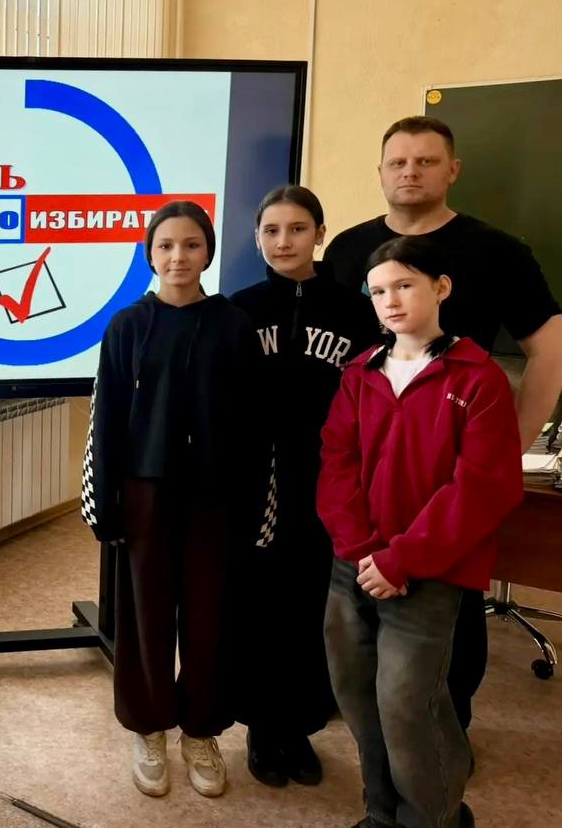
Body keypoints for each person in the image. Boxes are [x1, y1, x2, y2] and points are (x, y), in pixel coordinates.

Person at [322, 115, 562, 735]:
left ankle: (443, 744)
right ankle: (377, 732)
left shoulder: (498, 251)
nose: (410, 172)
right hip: (364, 463)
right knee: (358, 614)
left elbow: (549, 346)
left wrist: (509, 445)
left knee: (449, 615)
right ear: (380, 173)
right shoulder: (347, 250)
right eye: (397, 162)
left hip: (448, 467)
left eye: (426, 161)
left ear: (452, 170)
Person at [319, 235, 522, 828]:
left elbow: (483, 488)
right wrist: (363, 551)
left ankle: (433, 818)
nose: (390, 300)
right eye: (378, 291)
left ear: (441, 288)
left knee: (407, 702)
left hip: (427, 572)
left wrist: (400, 559)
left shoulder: (478, 378)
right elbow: (336, 463)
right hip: (355, 565)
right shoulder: (360, 373)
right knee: (357, 695)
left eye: (404, 285)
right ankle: (382, 813)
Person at [82, 201, 263, 799]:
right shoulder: (127, 326)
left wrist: (255, 505)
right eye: (165, 246)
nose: (177, 257)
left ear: (207, 251)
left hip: (215, 496)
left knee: (211, 617)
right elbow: (106, 419)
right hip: (145, 493)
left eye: (190, 245)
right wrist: (105, 502)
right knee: (145, 615)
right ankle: (149, 727)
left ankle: (201, 731)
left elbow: (254, 426)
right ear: (149, 253)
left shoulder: (234, 326)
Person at [229, 185, 378, 788]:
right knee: (259, 607)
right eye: (271, 230)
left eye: (297, 229)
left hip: (329, 482)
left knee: (318, 608)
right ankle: (263, 729)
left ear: (320, 234)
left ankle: (301, 728)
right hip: (258, 483)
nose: (283, 241)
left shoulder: (355, 313)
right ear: (257, 238)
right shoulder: (239, 309)